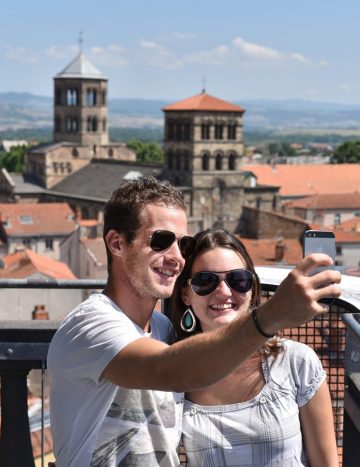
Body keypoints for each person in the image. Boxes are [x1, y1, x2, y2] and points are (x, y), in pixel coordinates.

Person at [47, 177, 341, 466]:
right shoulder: (90, 327)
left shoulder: (164, 331)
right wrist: (271, 316)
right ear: (117, 243)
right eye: (160, 241)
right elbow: (166, 370)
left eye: (183, 245)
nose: (175, 257)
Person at [169, 229, 339, 466]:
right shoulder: (175, 375)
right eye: (205, 281)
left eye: (238, 279)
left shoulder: (297, 362)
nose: (224, 292)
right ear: (186, 293)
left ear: (252, 288)